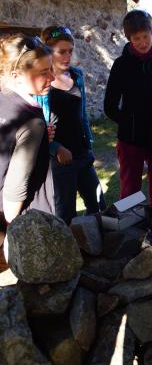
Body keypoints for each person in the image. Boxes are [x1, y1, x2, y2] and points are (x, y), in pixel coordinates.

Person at [104, 10, 152, 205]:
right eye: (137, 39)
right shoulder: (121, 65)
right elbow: (109, 105)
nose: (143, 42)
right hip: (130, 139)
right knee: (129, 190)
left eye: (146, 36)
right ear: (129, 38)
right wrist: (128, 121)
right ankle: (127, 230)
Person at [40, 26, 106, 225]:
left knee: (99, 206)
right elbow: (37, 124)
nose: (67, 56)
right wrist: (55, 148)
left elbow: (81, 115)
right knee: (65, 213)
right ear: (48, 51)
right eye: (61, 51)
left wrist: (89, 143)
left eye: (70, 50)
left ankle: (98, 249)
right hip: (59, 158)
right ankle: (71, 253)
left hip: (82, 152)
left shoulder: (76, 75)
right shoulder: (42, 81)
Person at [0, 34, 55, 268]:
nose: (52, 77)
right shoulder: (31, 121)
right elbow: (15, 190)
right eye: (44, 72)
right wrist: (13, 235)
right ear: (16, 76)